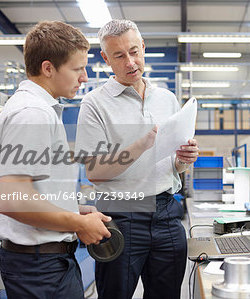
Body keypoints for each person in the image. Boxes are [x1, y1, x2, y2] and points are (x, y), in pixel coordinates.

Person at [75, 19, 199, 299]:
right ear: (106, 58)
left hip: (167, 212)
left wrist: (183, 159)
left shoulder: (167, 99)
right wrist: (141, 145)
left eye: (134, 51)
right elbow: (94, 172)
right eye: (119, 55)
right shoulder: (94, 104)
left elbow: (173, 166)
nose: (130, 62)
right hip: (120, 215)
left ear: (143, 47)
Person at [0, 21, 112, 299]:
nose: (84, 77)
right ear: (48, 68)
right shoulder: (33, 114)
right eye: (78, 68)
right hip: (40, 269)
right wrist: (78, 224)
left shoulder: (37, 110)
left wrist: (72, 209)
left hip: (43, 265)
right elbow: (12, 199)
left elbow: (30, 191)